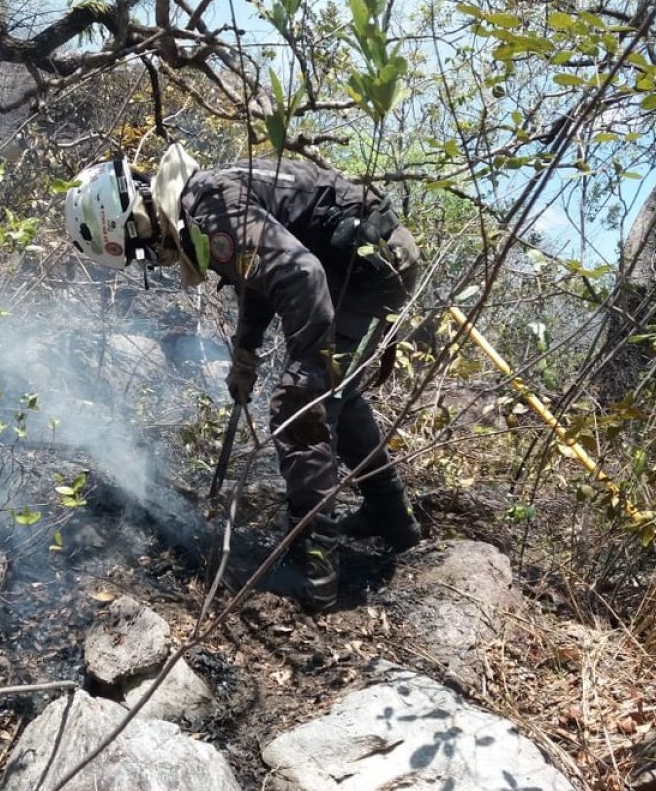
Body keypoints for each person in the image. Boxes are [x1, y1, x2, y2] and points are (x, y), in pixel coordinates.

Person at [63, 144, 422, 610]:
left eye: (137, 246)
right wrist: (245, 351)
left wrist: (307, 373)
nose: (149, 257)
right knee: (339, 395)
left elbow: (301, 276)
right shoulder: (204, 203)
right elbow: (262, 276)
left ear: (134, 214)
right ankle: (391, 518)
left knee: (302, 406)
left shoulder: (210, 212)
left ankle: (315, 572)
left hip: (371, 272)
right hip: (358, 264)